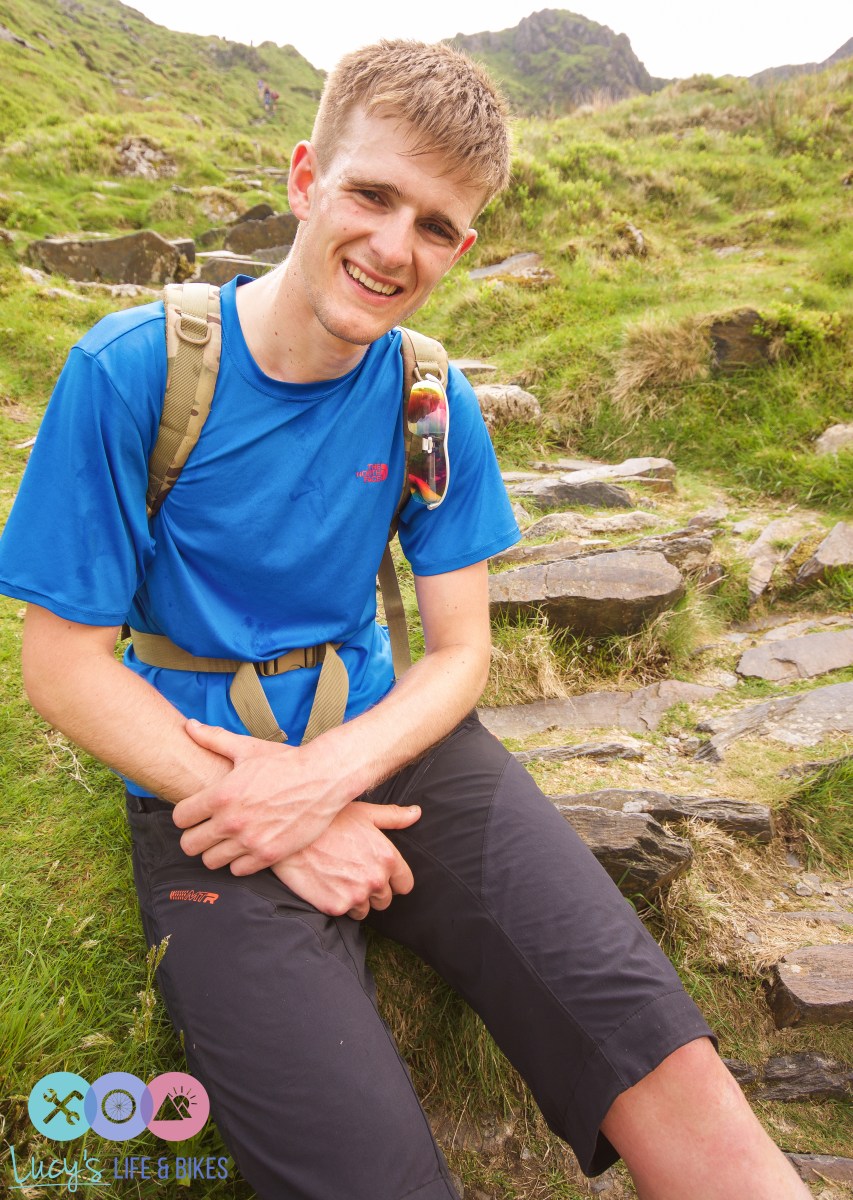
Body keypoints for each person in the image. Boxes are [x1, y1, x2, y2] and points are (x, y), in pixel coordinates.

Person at [0, 39, 810, 1200]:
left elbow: (463, 651)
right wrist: (277, 807)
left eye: (436, 223)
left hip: (402, 747)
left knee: (663, 1057)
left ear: (462, 245)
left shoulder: (427, 399)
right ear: (303, 177)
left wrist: (325, 779)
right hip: (204, 788)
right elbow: (65, 666)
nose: (394, 246)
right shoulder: (133, 372)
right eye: (372, 193)